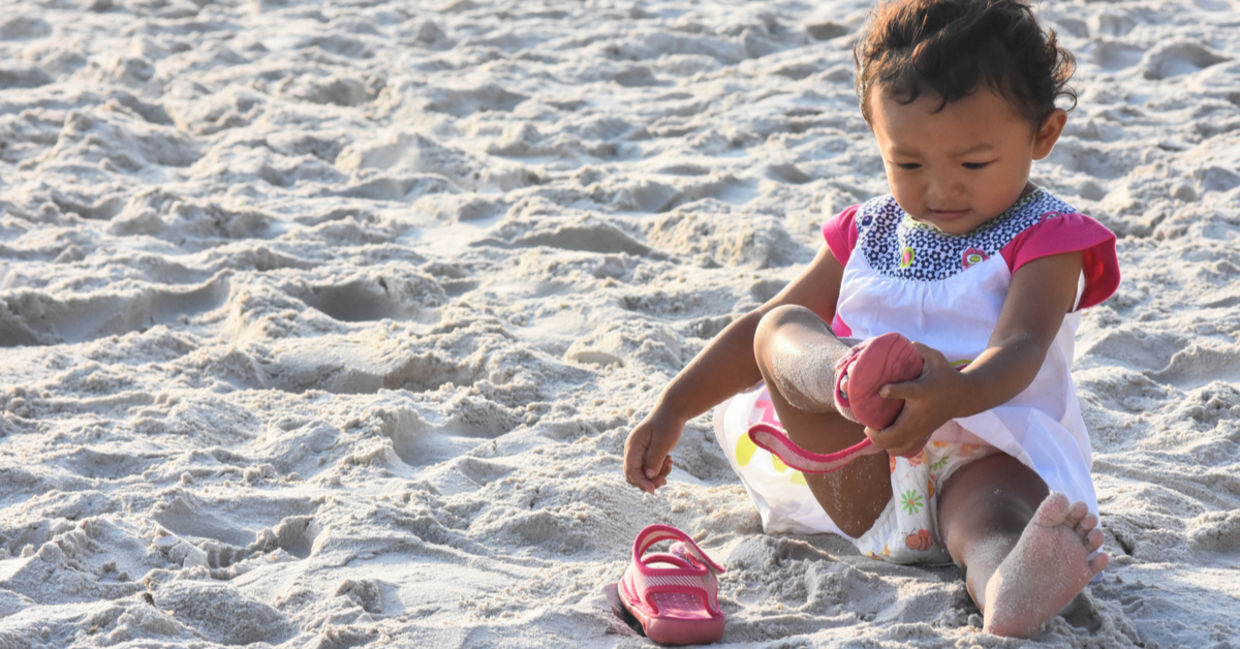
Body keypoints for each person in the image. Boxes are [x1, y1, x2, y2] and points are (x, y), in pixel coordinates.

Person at [622, 0, 1120, 638]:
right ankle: (845, 374)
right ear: (874, 130)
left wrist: (955, 393)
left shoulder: (1048, 238)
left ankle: (1006, 588)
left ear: (1043, 136)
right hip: (858, 465)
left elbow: (1023, 347)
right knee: (782, 326)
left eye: (973, 164)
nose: (940, 189)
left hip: (982, 449)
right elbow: (760, 331)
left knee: (995, 523)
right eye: (908, 164)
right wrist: (673, 407)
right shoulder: (867, 231)